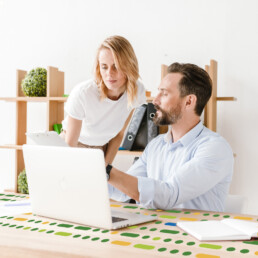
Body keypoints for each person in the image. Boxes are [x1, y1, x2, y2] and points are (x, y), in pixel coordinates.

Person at [106, 62, 234, 212]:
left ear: (189, 101)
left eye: (164, 94)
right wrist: (92, 170)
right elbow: (122, 190)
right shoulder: (156, 145)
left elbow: (169, 195)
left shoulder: (215, 148)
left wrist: (107, 171)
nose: (155, 100)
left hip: (195, 233)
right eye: (158, 92)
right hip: (155, 230)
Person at [61, 35, 146, 164]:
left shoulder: (136, 91)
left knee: (101, 181)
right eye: (104, 67)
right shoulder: (83, 93)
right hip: (74, 145)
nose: (109, 74)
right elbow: (70, 144)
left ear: (129, 66)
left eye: (116, 66)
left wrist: (106, 166)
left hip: (101, 148)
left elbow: (119, 135)